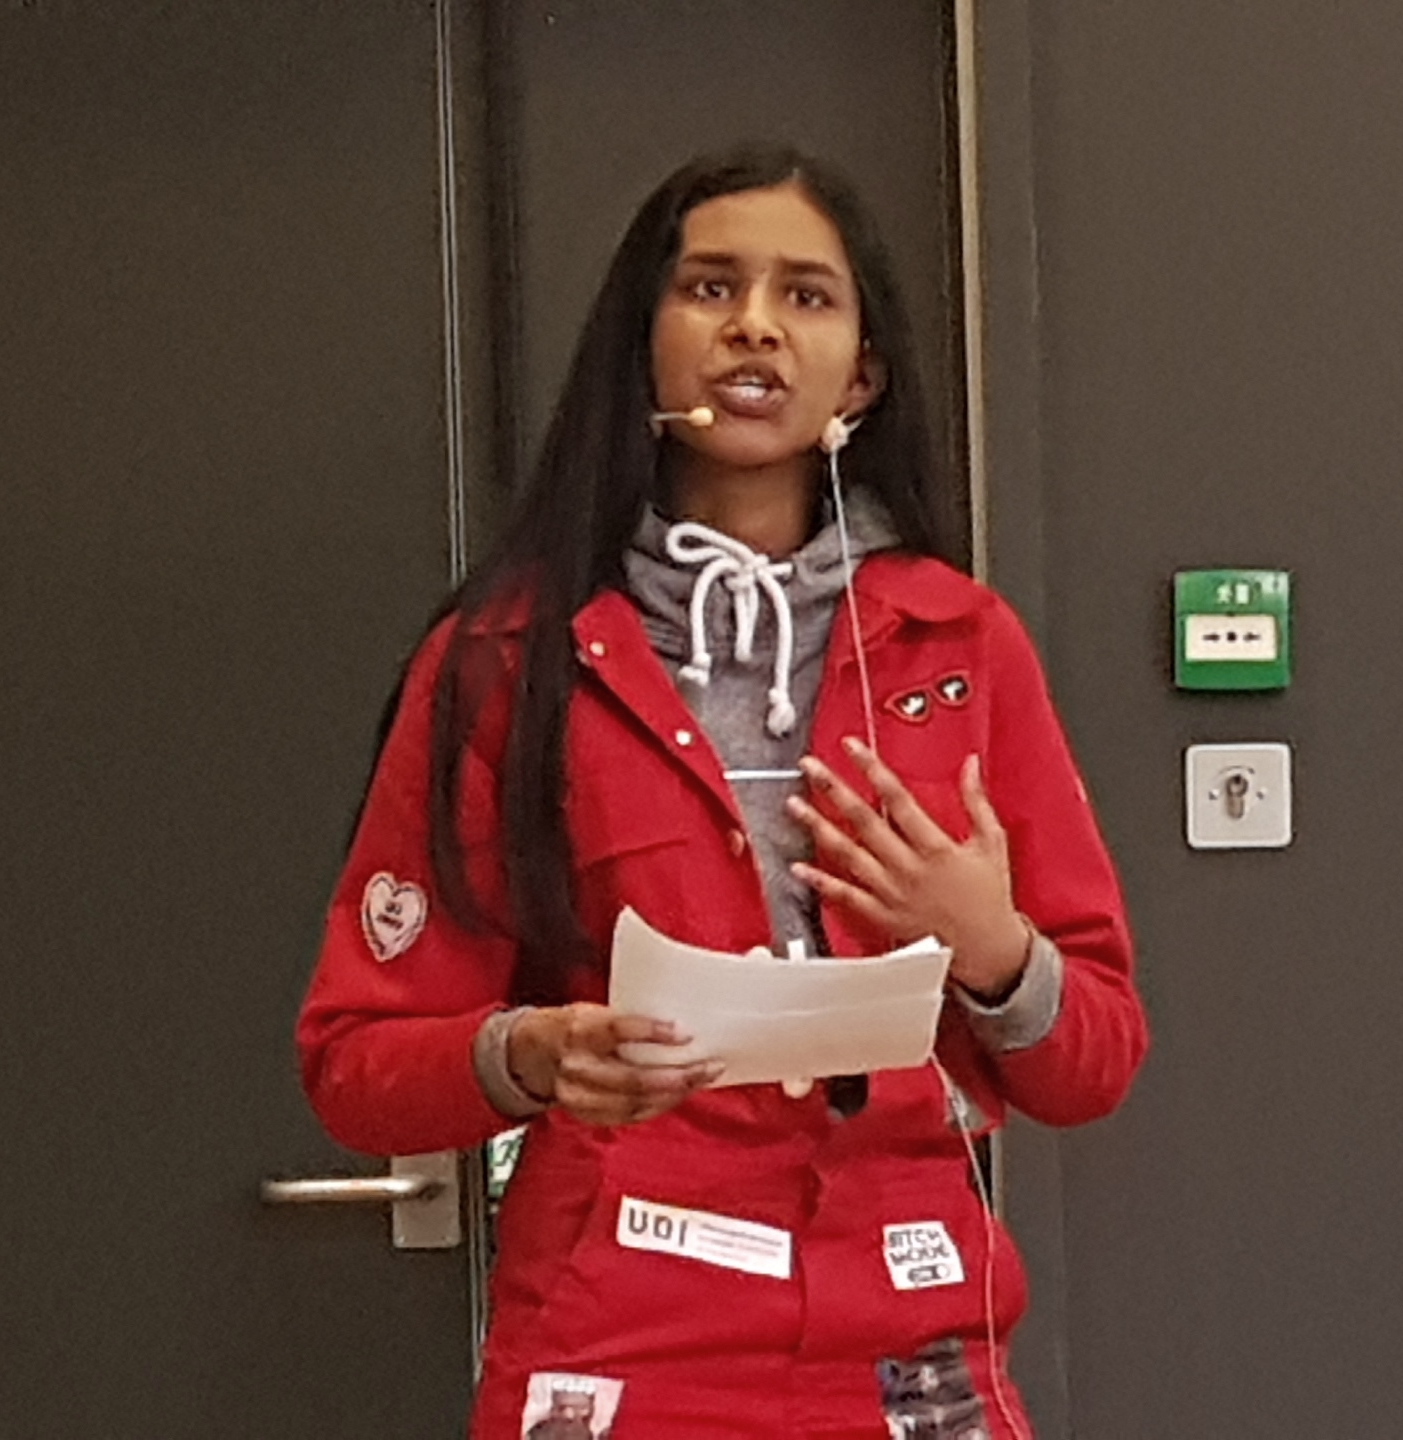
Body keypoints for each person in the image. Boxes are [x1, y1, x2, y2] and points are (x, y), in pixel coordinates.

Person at [297, 143, 1147, 1440]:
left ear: (861, 374)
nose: (754, 324)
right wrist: (528, 1057)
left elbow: (1096, 1060)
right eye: (709, 288)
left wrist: (992, 949)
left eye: (806, 295)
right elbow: (355, 1065)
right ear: (643, 345)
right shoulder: (502, 660)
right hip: (622, 1351)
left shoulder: (964, 645)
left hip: (912, 1355)